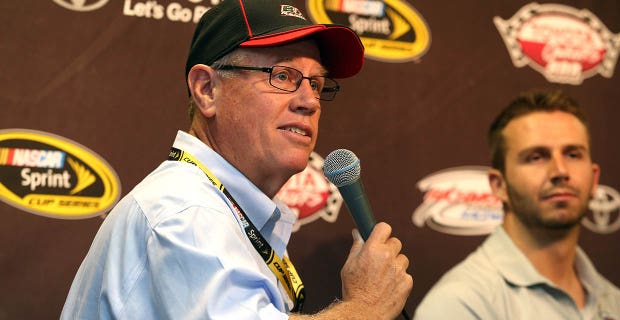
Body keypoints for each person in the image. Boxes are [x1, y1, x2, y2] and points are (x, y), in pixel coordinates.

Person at [61, 0, 412, 319]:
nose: (310, 101)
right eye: (284, 76)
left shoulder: (223, 210)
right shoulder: (186, 211)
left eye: (317, 84)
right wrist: (367, 307)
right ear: (206, 90)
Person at [414, 89, 620, 320]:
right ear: (499, 185)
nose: (560, 171)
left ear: (594, 179)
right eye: (536, 157)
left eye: (573, 154)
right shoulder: (460, 305)